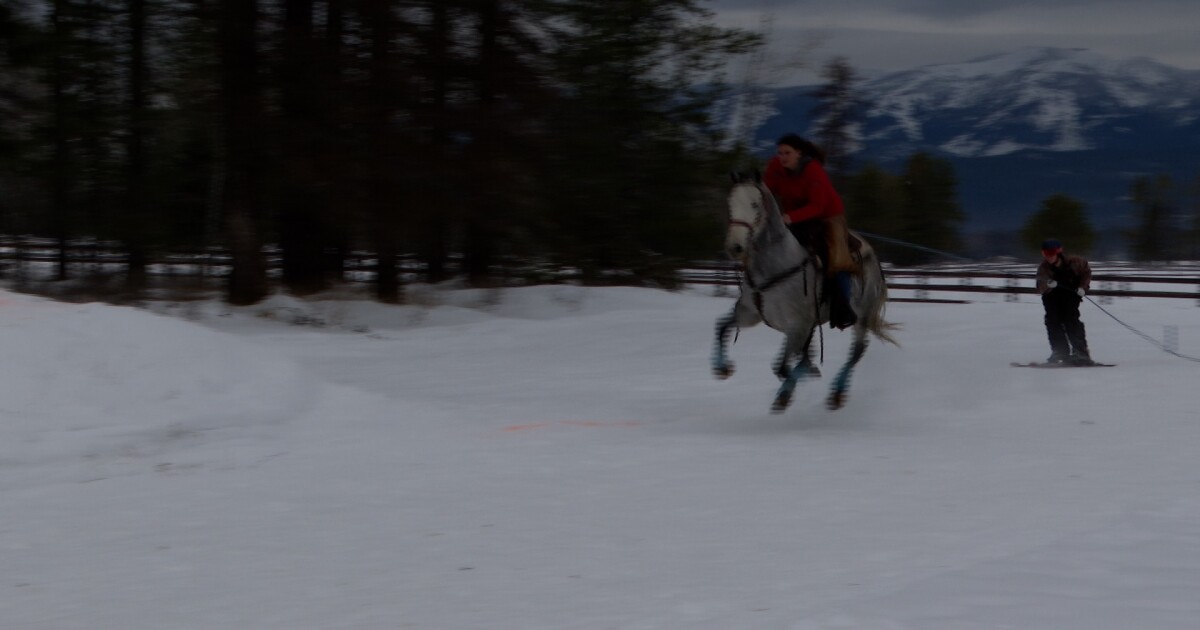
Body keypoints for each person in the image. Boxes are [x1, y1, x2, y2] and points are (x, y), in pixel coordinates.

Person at [762, 133, 857, 329]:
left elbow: (818, 206)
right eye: (779, 153)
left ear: (799, 153)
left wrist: (791, 217)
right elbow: (766, 191)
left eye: (787, 153)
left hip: (828, 216)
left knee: (837, 258)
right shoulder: (776, 167)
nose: (782, 157)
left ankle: (843, 307)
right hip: (793, 217)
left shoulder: (813, 170)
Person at [1036, 238, 1094, 365]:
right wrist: (1048, 284)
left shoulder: (1075, 262)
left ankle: (1081, 353)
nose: (1049, 257)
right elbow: (1040, 284)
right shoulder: (1044, 267)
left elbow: (1086, 273)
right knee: (1052, 321)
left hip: (1071, 296)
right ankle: (1060, 352)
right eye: (1046, 253)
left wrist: (1082, 288)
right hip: (1051, 298)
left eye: (1051, 253)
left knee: (1071, 320)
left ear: (1059, 252)